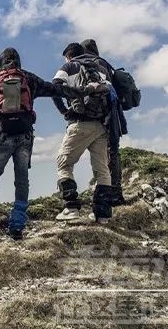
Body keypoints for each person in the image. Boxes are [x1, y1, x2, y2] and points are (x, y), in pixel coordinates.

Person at [0, 47, 86, 240]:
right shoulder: (28, 77)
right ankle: (17, 227)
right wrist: (82, 93)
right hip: (25, 138)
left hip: (1, 137)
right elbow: (55, 89)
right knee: (22, 181)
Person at [50, 43, 116, 224]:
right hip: (102, 125)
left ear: (69, 56)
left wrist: (64, 111)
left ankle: (71, 208)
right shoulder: (101, 68)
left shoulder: (69, 66)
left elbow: (54, 87)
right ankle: (102, 215)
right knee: (102, 169)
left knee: (64, 163)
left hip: (80, 123)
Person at [81, 39, 128, 206]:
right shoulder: (105, 64)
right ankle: (116, 193)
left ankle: (106, 194)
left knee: (101, 155)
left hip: (99, 117)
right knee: (113, 152)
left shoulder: (87, 64)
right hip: (114, 115)